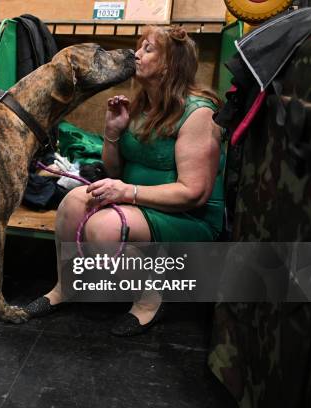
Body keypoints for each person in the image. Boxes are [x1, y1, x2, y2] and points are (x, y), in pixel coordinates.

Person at [24, 25, 225, 336]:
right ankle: (67, 287)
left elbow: (194, 193)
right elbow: (114, 171)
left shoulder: (199, 114)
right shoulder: (142, 103)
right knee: (71, 204)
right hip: (137, 200)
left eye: (148, 48)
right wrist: (113, 133)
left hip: (186, 214)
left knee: (103, 228)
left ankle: (149, 300)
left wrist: (127, 192)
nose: (137, 54)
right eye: (139, 46)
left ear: (170, 64)